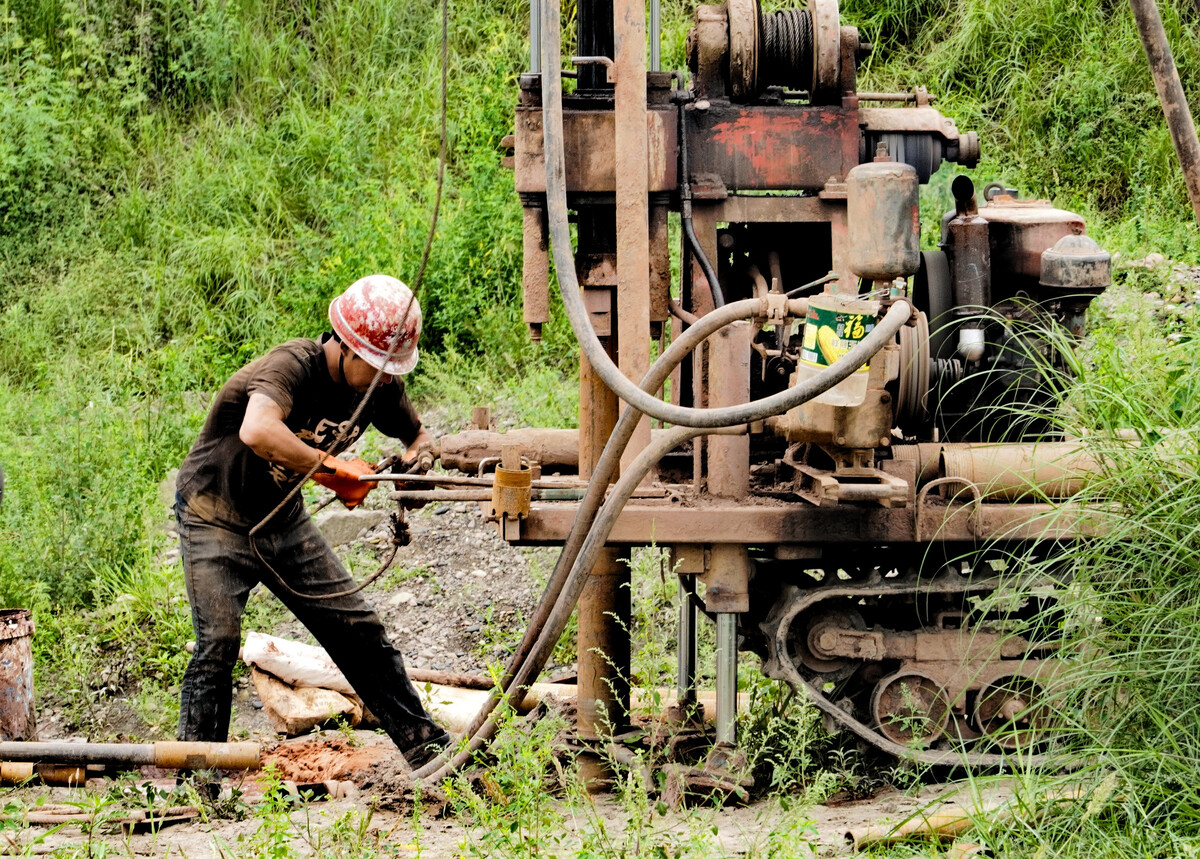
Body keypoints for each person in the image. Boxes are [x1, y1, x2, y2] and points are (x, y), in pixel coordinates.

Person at [174, 274, 451, 769]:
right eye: (378, 366)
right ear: (346, 346)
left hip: (283, 521)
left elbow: (420, 437)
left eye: (394, 369)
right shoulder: (291, 367)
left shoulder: (381, 385)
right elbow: (258, 429)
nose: (388, 378)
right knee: (217, 644)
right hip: (213, 516)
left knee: (359, 629)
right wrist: (333, 470)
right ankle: (199, 784)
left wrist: (418, 462)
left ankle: (428, 754)